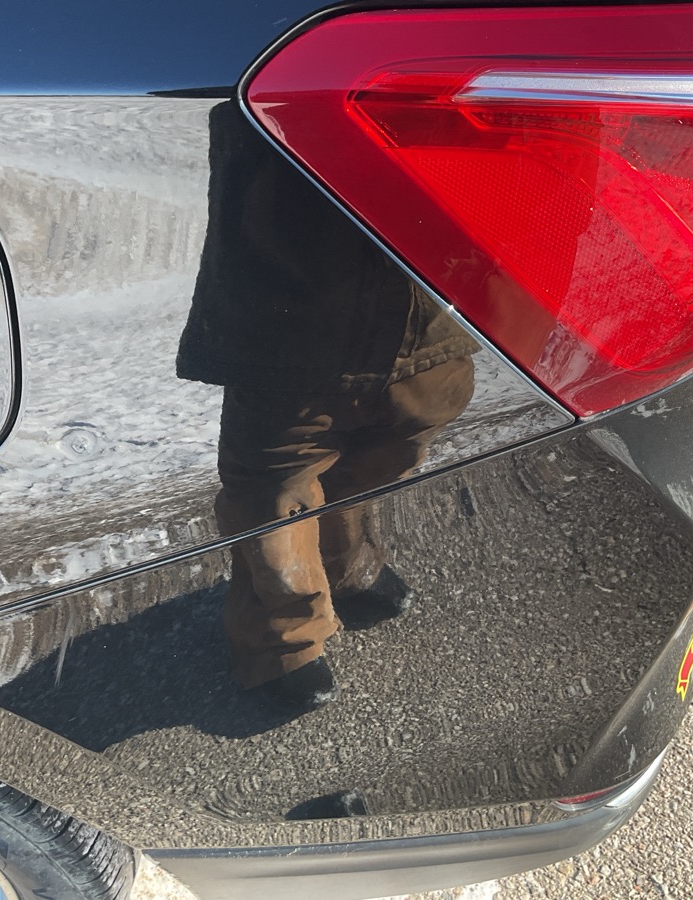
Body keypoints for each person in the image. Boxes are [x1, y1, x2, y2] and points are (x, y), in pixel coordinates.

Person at [177, 101, 477, 710]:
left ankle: (348, 569)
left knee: (383, 456)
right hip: (290, 320)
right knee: (274, 492)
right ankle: (282, 644)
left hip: (430, 315)